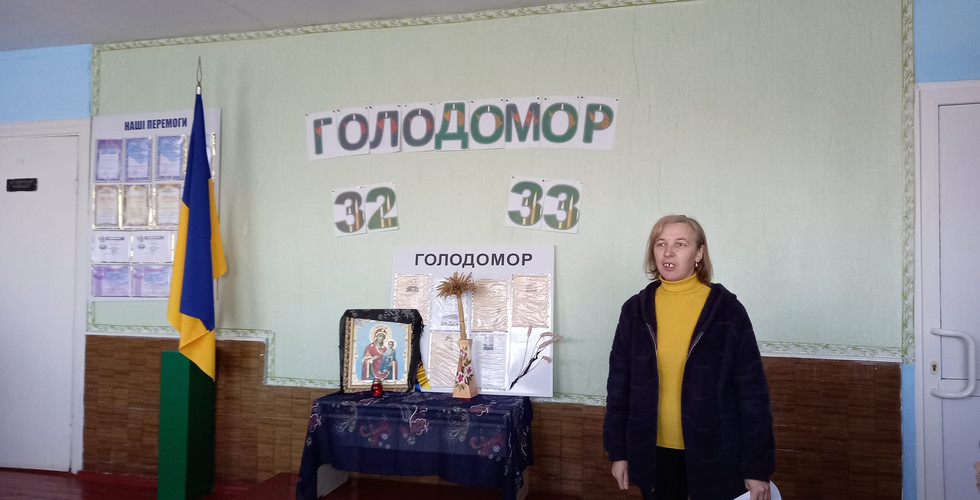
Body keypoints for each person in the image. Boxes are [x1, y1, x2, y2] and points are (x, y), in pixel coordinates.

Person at [603, 215, 775, 500]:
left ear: (699, 253)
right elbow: (619, 386)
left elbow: (752, 395)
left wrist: (757, 467)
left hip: (716, 455)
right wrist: (618, 451)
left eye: (680, 244)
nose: (668, 253)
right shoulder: (635, 310)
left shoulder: (726, 311)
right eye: (661, 244)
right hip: (653, 455)